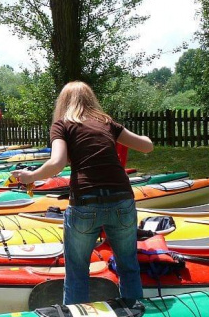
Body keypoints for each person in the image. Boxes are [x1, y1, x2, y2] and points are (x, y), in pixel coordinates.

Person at [12, 81, 153, 305]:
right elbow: (147, 146)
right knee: (128, 266)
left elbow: (57, 163)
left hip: (85, 202)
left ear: (63, 103)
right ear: (91, 100)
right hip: (122, 199)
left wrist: (30, 177)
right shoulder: (107, 123)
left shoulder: (62, 125)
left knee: (77, 271)